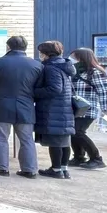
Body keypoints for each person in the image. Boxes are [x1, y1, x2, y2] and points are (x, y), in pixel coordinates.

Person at [0, 35, 43, 178]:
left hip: (1, 105)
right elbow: (38, 88)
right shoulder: (37, 65)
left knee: (1, 137)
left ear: (8, 47)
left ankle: (2, 168)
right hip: (26, 106)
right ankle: (29, 169)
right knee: (26, 139)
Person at [34, 40, 77, 179]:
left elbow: (55, 88)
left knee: (56, 142)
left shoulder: (51, 67)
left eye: (41, 52)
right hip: (64, 108)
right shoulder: (64, 66)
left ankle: (56, 169)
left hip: (53, 109)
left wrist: (35, 92)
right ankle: (64, 169)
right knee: (64, 141)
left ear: (46, 54)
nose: (40, 55)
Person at [70, 47, 107, 169]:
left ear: (82, 58)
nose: (72, 60)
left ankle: (96, 158)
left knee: (78, 132)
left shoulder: (96, 72)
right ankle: (78, 157)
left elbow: (104, 91)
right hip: (76, 108)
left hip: (89, 108)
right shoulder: (75, 71)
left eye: (74, 57)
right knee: (73, 132)